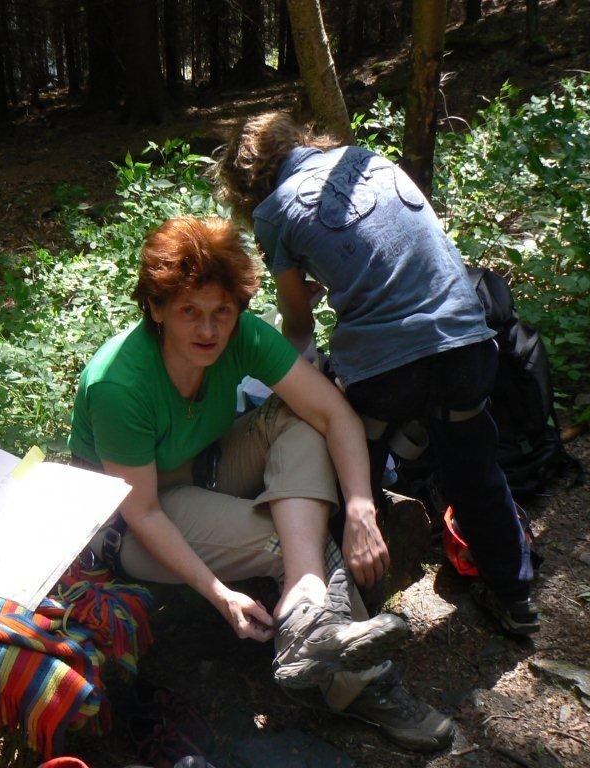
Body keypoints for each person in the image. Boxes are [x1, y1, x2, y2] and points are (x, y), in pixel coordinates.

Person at [68, 216, 454, 751]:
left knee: (295, 418)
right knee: (300, 545)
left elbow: (332, 413)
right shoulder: (121, 383)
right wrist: (221, 594)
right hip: (132, 522)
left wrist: (362, 506)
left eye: (220, 312)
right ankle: (362, 683)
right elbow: (144, 510)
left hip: (208, 468)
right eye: (189, 312)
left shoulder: (240, 336)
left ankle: (305, 621)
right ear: (156, 310)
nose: (208, 330)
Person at [217, 111, 540, 637]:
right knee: (475, 466)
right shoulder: (373, 161)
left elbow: (298, 324)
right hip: (468, 344)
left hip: (387, 372)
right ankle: (516, 597)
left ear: (249, 184)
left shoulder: (276, 210)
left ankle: (348, 609)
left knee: (346, 466)